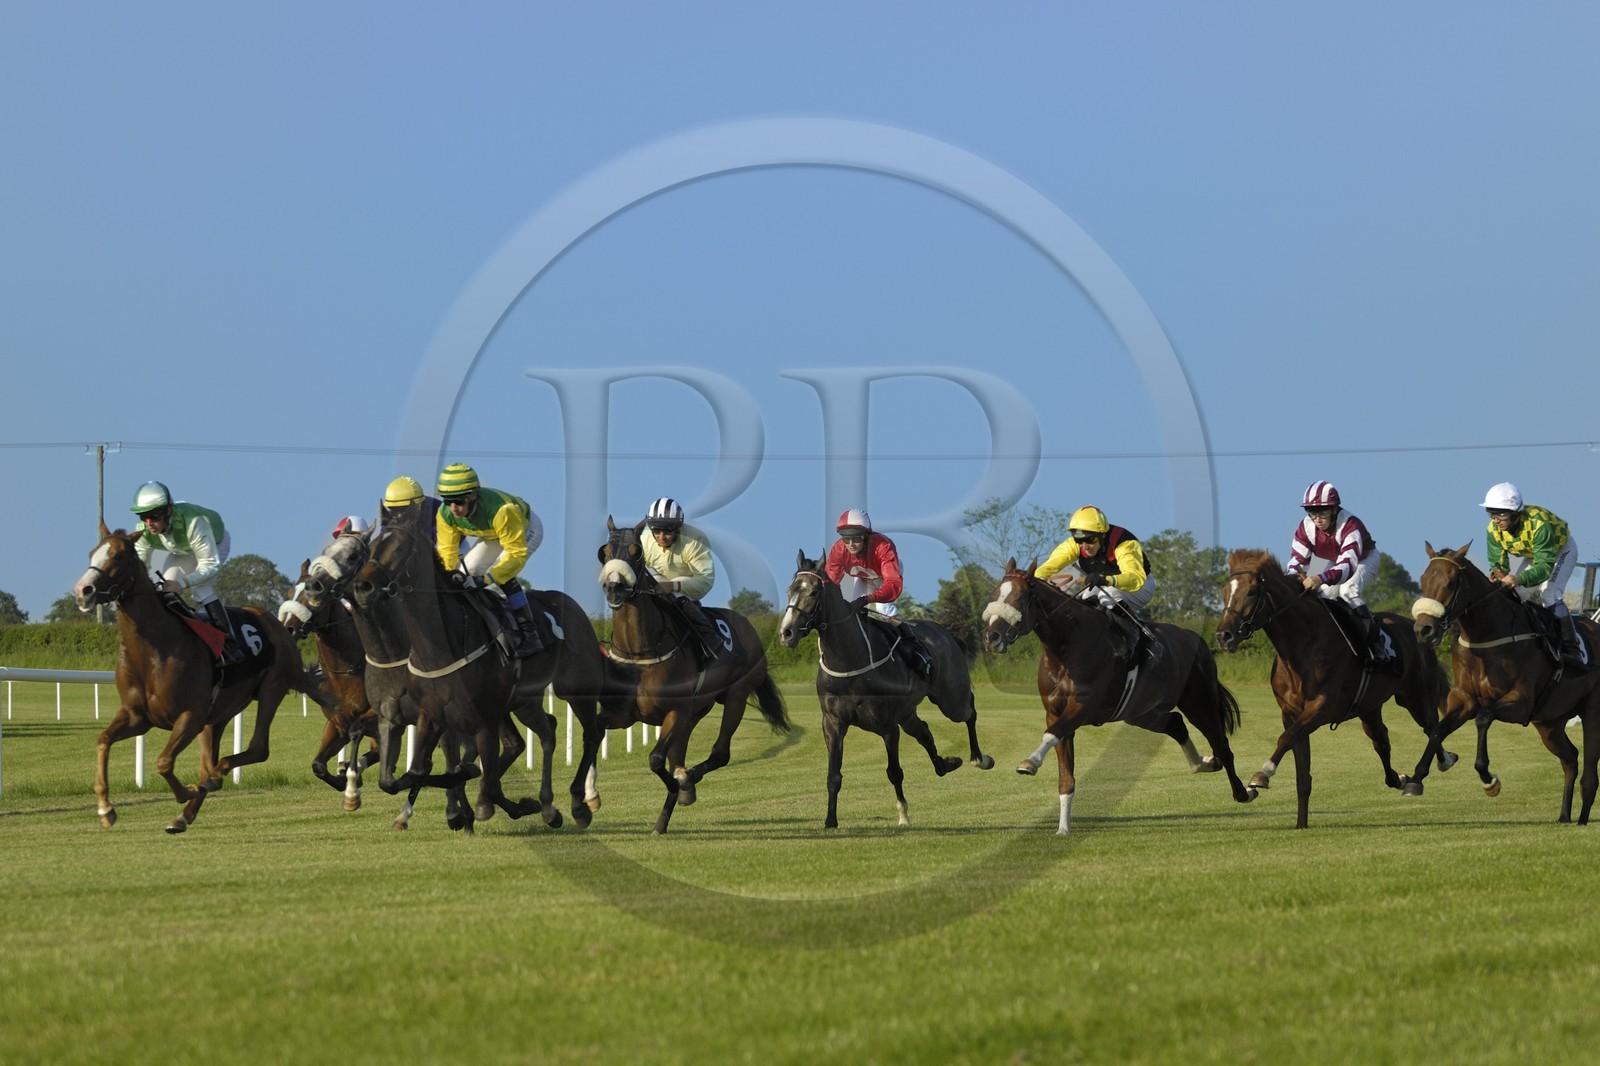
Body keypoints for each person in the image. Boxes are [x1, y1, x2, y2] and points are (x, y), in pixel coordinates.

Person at [434, 463, 547, 657]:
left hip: (525, 528)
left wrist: (487, 580)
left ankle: (530, 633)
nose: (453, 508)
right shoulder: (445, 514)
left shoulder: (503, 511)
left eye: (459, 501)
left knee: (503, 573)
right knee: (463, 575)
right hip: (493, 534)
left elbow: (515, 555)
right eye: (447, 501)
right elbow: (447, 553)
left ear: (472, 496)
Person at [1284, 481, 1397, 671]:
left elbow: (1348, 566)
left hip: (1363, 559)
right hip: (1332, 559)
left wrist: (1319, 578)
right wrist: (1294, 578)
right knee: (1321, 596)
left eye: (1323, 512)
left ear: (1335, 509)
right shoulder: (1306, 527)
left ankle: (1378, 643)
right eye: (1312, 512)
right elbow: (1296, 561)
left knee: (1348, 590)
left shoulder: (1350, 525)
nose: (1317, 519)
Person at [128, 480, 244, 665]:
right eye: (143, 517)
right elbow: (139, 566)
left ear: (168, 511)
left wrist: (182, 584)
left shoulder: (194, 523)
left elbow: (210, 565)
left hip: (214, 543)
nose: (149, 523)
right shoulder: (143, 531)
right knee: (167, 586)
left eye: (154, 516)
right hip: (184, 551)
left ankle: (230, 644)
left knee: (200, 589)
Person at [1035, 505, 1160, 665]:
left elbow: (1135, 579)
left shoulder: (1124, 543)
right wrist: (1031, 579)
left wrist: (1106, 579)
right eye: (1079, 540)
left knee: (1106, 594)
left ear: (1102, 535)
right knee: (1082, 599)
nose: (1084, 546)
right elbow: (1049, 566)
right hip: (1106, 587)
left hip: (1141, 587)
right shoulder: (1077, 544)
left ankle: (1137, 639)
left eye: (1090, 539)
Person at [1482, 482, 1585, 668]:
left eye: (1502, 514)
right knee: (1515, 596)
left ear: (1516, 513)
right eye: (1492, 513)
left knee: (1549, 594)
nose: (1496, 519)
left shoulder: (1539, 525)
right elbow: (1498, 564)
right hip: (1534, 555)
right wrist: (1498, 576)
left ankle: (1572, 650)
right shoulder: (1493, 530)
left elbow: (1544, 567)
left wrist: (1519, 578)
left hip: (1561, 551)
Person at [824, 508, 933, 677]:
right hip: (861, 577)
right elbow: (830, 583)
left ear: (867, 535)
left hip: (886, 577)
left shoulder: (883, 546)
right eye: (846, 538)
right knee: (850, 614)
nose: (851, 544)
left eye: (856, 537)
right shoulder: (839, 550)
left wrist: (870, 598)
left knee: (885, 613)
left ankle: (916, 649)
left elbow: (893, 586)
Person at [638, 497, 723, 665]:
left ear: (678, 529)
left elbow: (705, 580)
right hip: (661, 577)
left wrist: (673, 585)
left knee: (674, 591)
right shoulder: (645, 539)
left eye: (668, 532)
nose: (662, 537)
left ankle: (709, 637)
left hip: (690, 580)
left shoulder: (695, 540)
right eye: (657, 531)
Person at [379, 476, 443, 544]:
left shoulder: (439, 512)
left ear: (419, 505)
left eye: (403, 509)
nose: (399, 515)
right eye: (394, 510)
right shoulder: (390, 521)